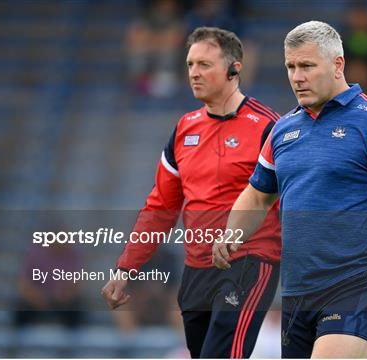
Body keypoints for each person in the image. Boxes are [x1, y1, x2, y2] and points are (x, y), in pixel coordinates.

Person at [213, 21, 367, 358]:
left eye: (307, 66)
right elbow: (257, 195)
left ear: (338, 64)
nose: (297, 76)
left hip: (359, 282)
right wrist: (232, 234)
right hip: (298, 292)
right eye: (291, 67)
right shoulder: (283, 130)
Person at [102, 27, 281, 358]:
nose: (194, 73)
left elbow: (295, 200)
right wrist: (125, 269)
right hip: (196, 270)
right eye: (190, 64)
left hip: (248, 263)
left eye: (205, 65)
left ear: (234, 69)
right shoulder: (185, 129)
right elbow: (160, 207)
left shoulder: (270, 128)